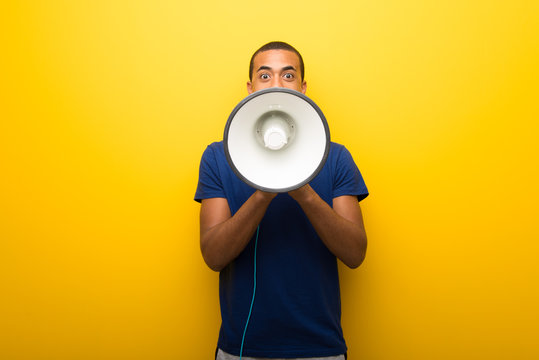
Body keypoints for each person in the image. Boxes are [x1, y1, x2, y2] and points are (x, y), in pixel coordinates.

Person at [195, 41, 369, 360]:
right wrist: (264, 190)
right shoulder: (217, 157)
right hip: (241, 348)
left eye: (288, 76)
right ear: (250, 88)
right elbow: (213, 256)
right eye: (265, 76)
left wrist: (301, 187)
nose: (276, 84)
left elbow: (355, 253)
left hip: (320, 348)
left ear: (303, 88)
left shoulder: (337, 157)